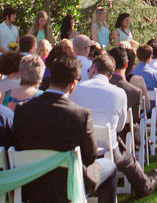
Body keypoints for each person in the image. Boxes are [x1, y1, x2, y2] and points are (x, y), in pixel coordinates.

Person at [13, 54, 117, 203]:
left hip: (30, 182)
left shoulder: (22, 109)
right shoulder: (80, 115)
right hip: (68, 183)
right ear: (73, 84)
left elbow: (17, 146)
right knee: (110, 166)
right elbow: (90, 157)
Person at [70, 53, 157, 198]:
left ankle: (144, 184)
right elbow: (120, 126)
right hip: (106, 149)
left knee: (122, 150)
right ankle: (144, 186)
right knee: (125, 156)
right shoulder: (118, 93)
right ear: (110, 75)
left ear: (93, 69)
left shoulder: (75, 89)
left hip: (79, 149)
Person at [132, 45, 157, 146]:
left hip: (136, 110)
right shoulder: (155, 74)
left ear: (137, 57)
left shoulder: (131, 73)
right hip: (151, 109)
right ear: (149, 58)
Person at [108, 47, 142, 147]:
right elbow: (135, 120)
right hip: (123, 140)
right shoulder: (134, 92)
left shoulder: (96, 88)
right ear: (126, 64)